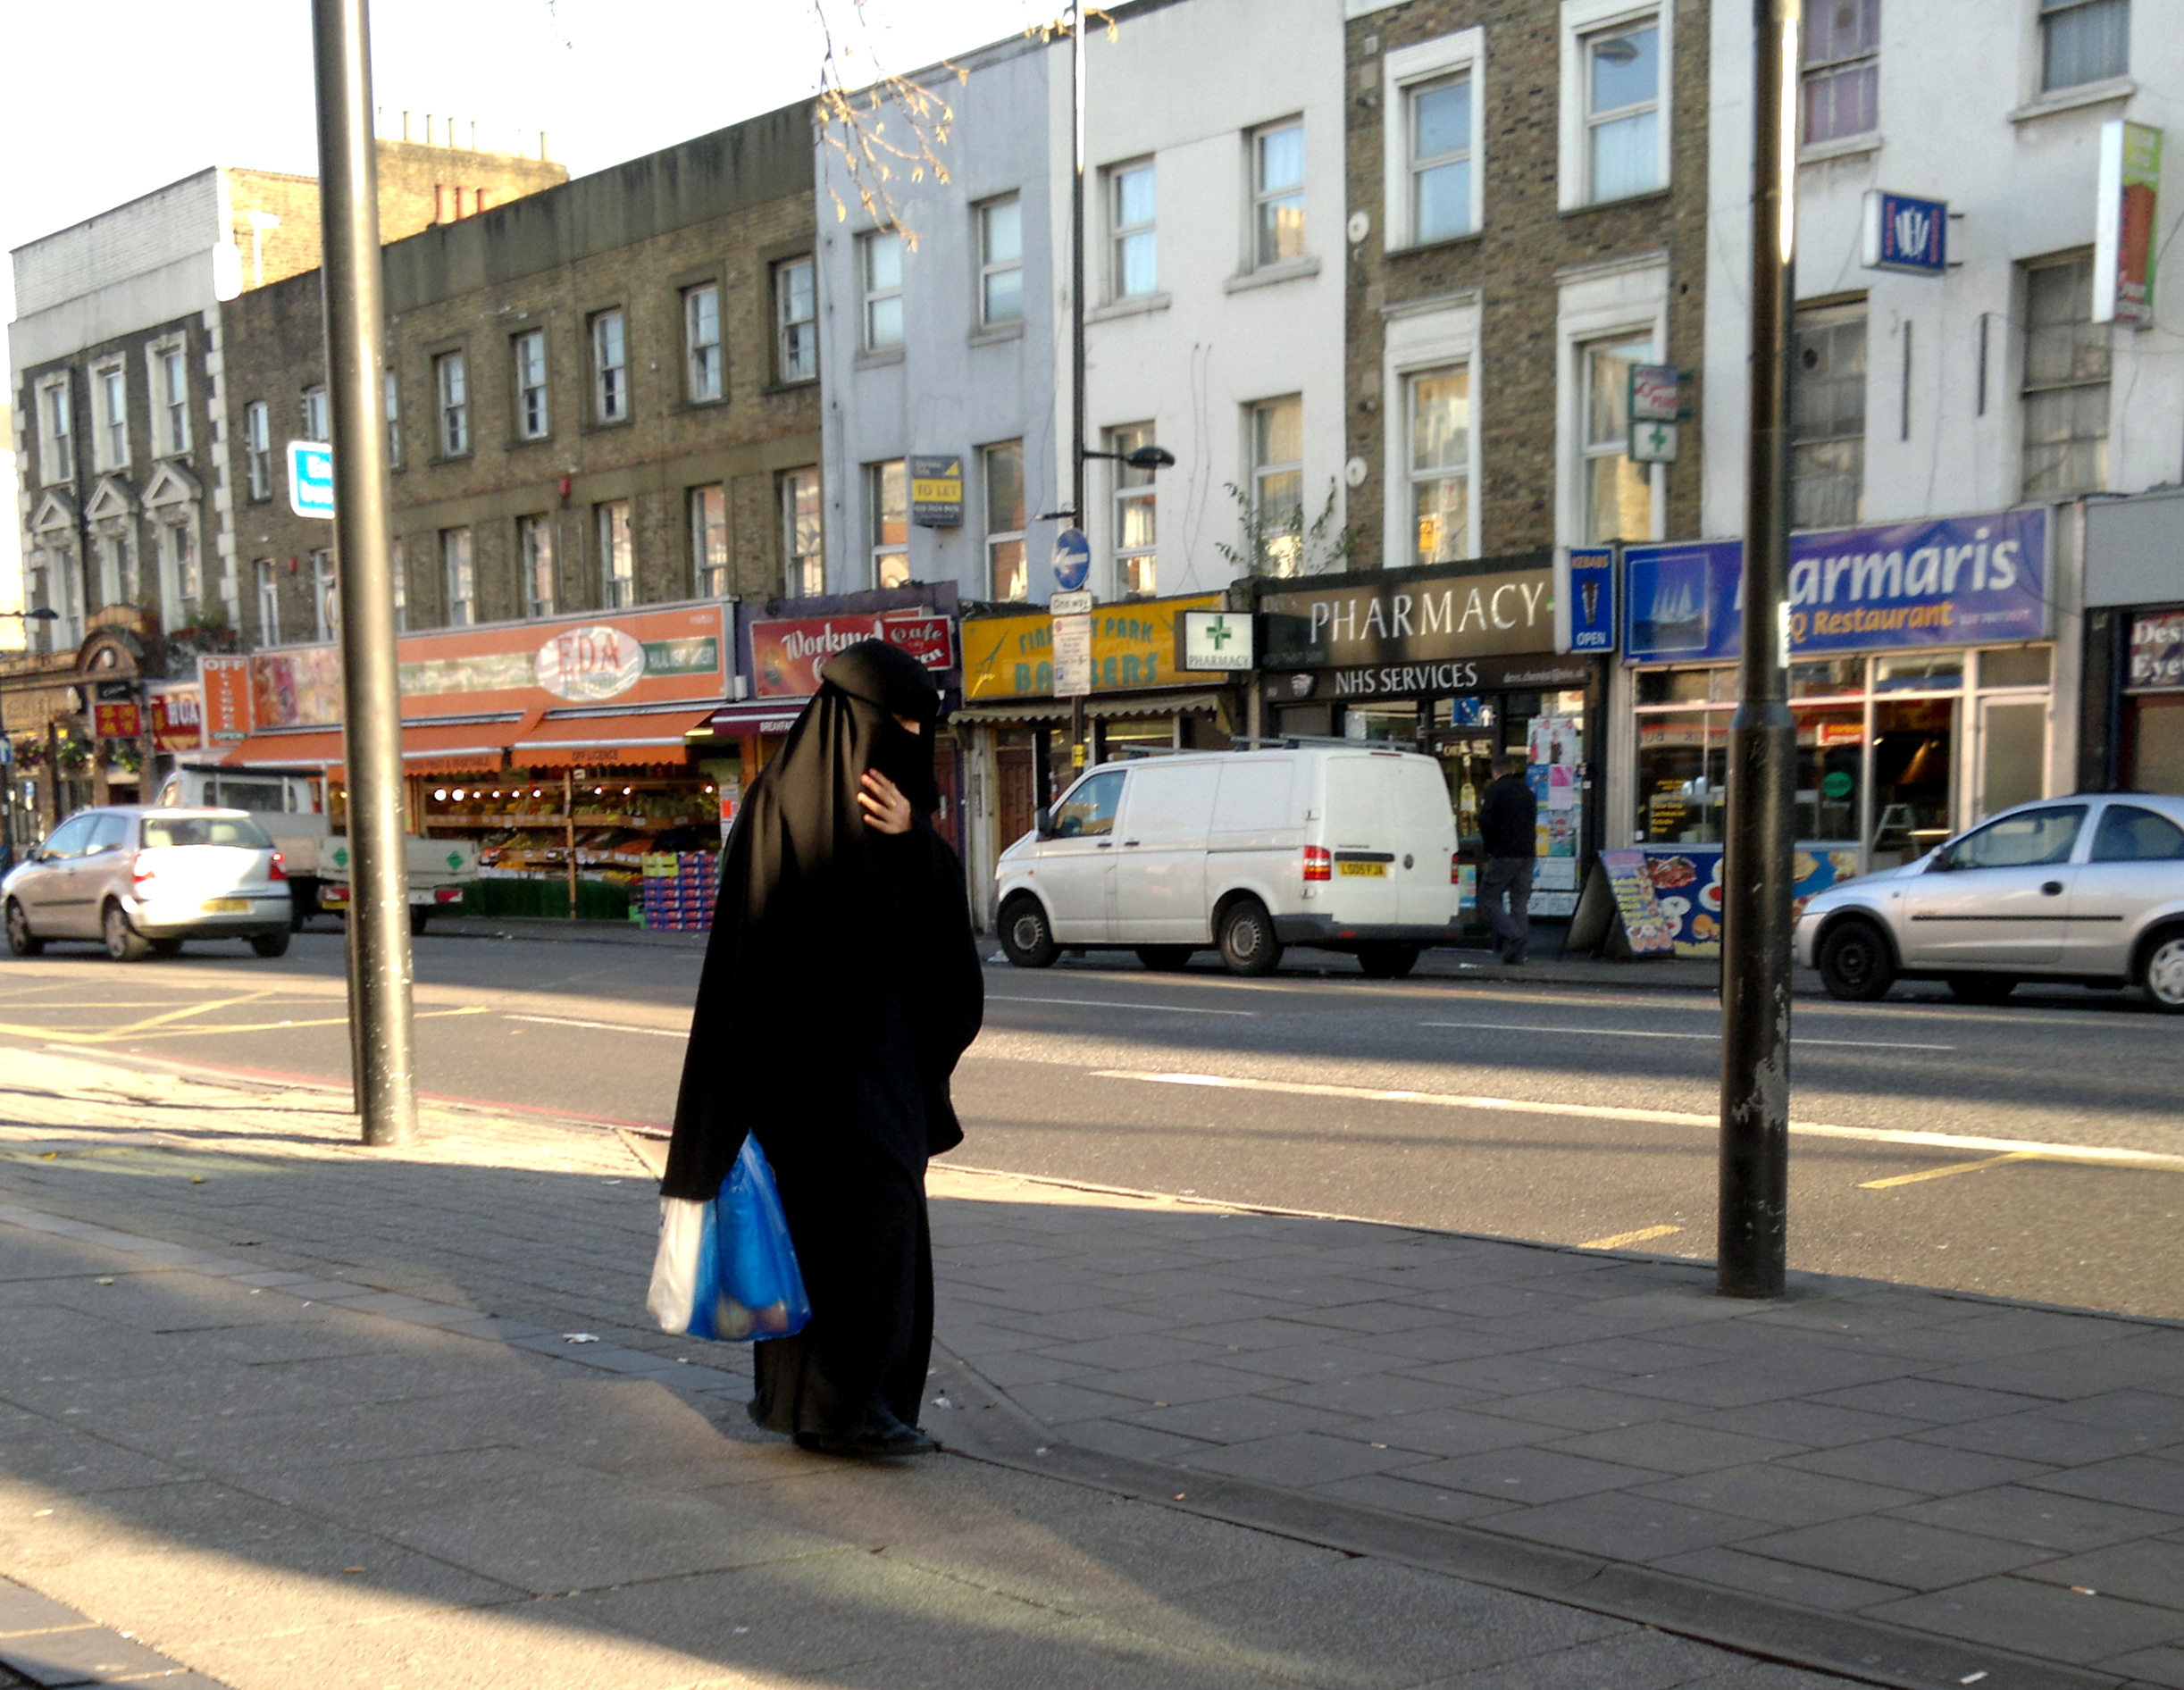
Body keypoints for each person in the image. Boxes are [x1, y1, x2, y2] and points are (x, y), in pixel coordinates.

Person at [661, 640, 983, 1458]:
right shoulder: (785, 806)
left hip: (865, 1075)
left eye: (921, 725)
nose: (911, 739)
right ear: (858, 723)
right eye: (900, 722)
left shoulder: (888, 819)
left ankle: (837, 1409)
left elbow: (942, 949)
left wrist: (914, 843)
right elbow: (749, 959)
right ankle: (843, 1408)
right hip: (816, 1083)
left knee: (864, 1232)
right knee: (847, 1235)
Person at [1476, 754, 1537, 965]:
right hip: (1527, 854)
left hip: (1504, 853)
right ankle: (1517, 956)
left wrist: (1490, 846)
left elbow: (1485, 821)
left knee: (1487, 898)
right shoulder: (1528, 792)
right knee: (1519, 903)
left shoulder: (1496, 790)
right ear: (1512, 770)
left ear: (1496, 772)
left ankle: (1513, 935)